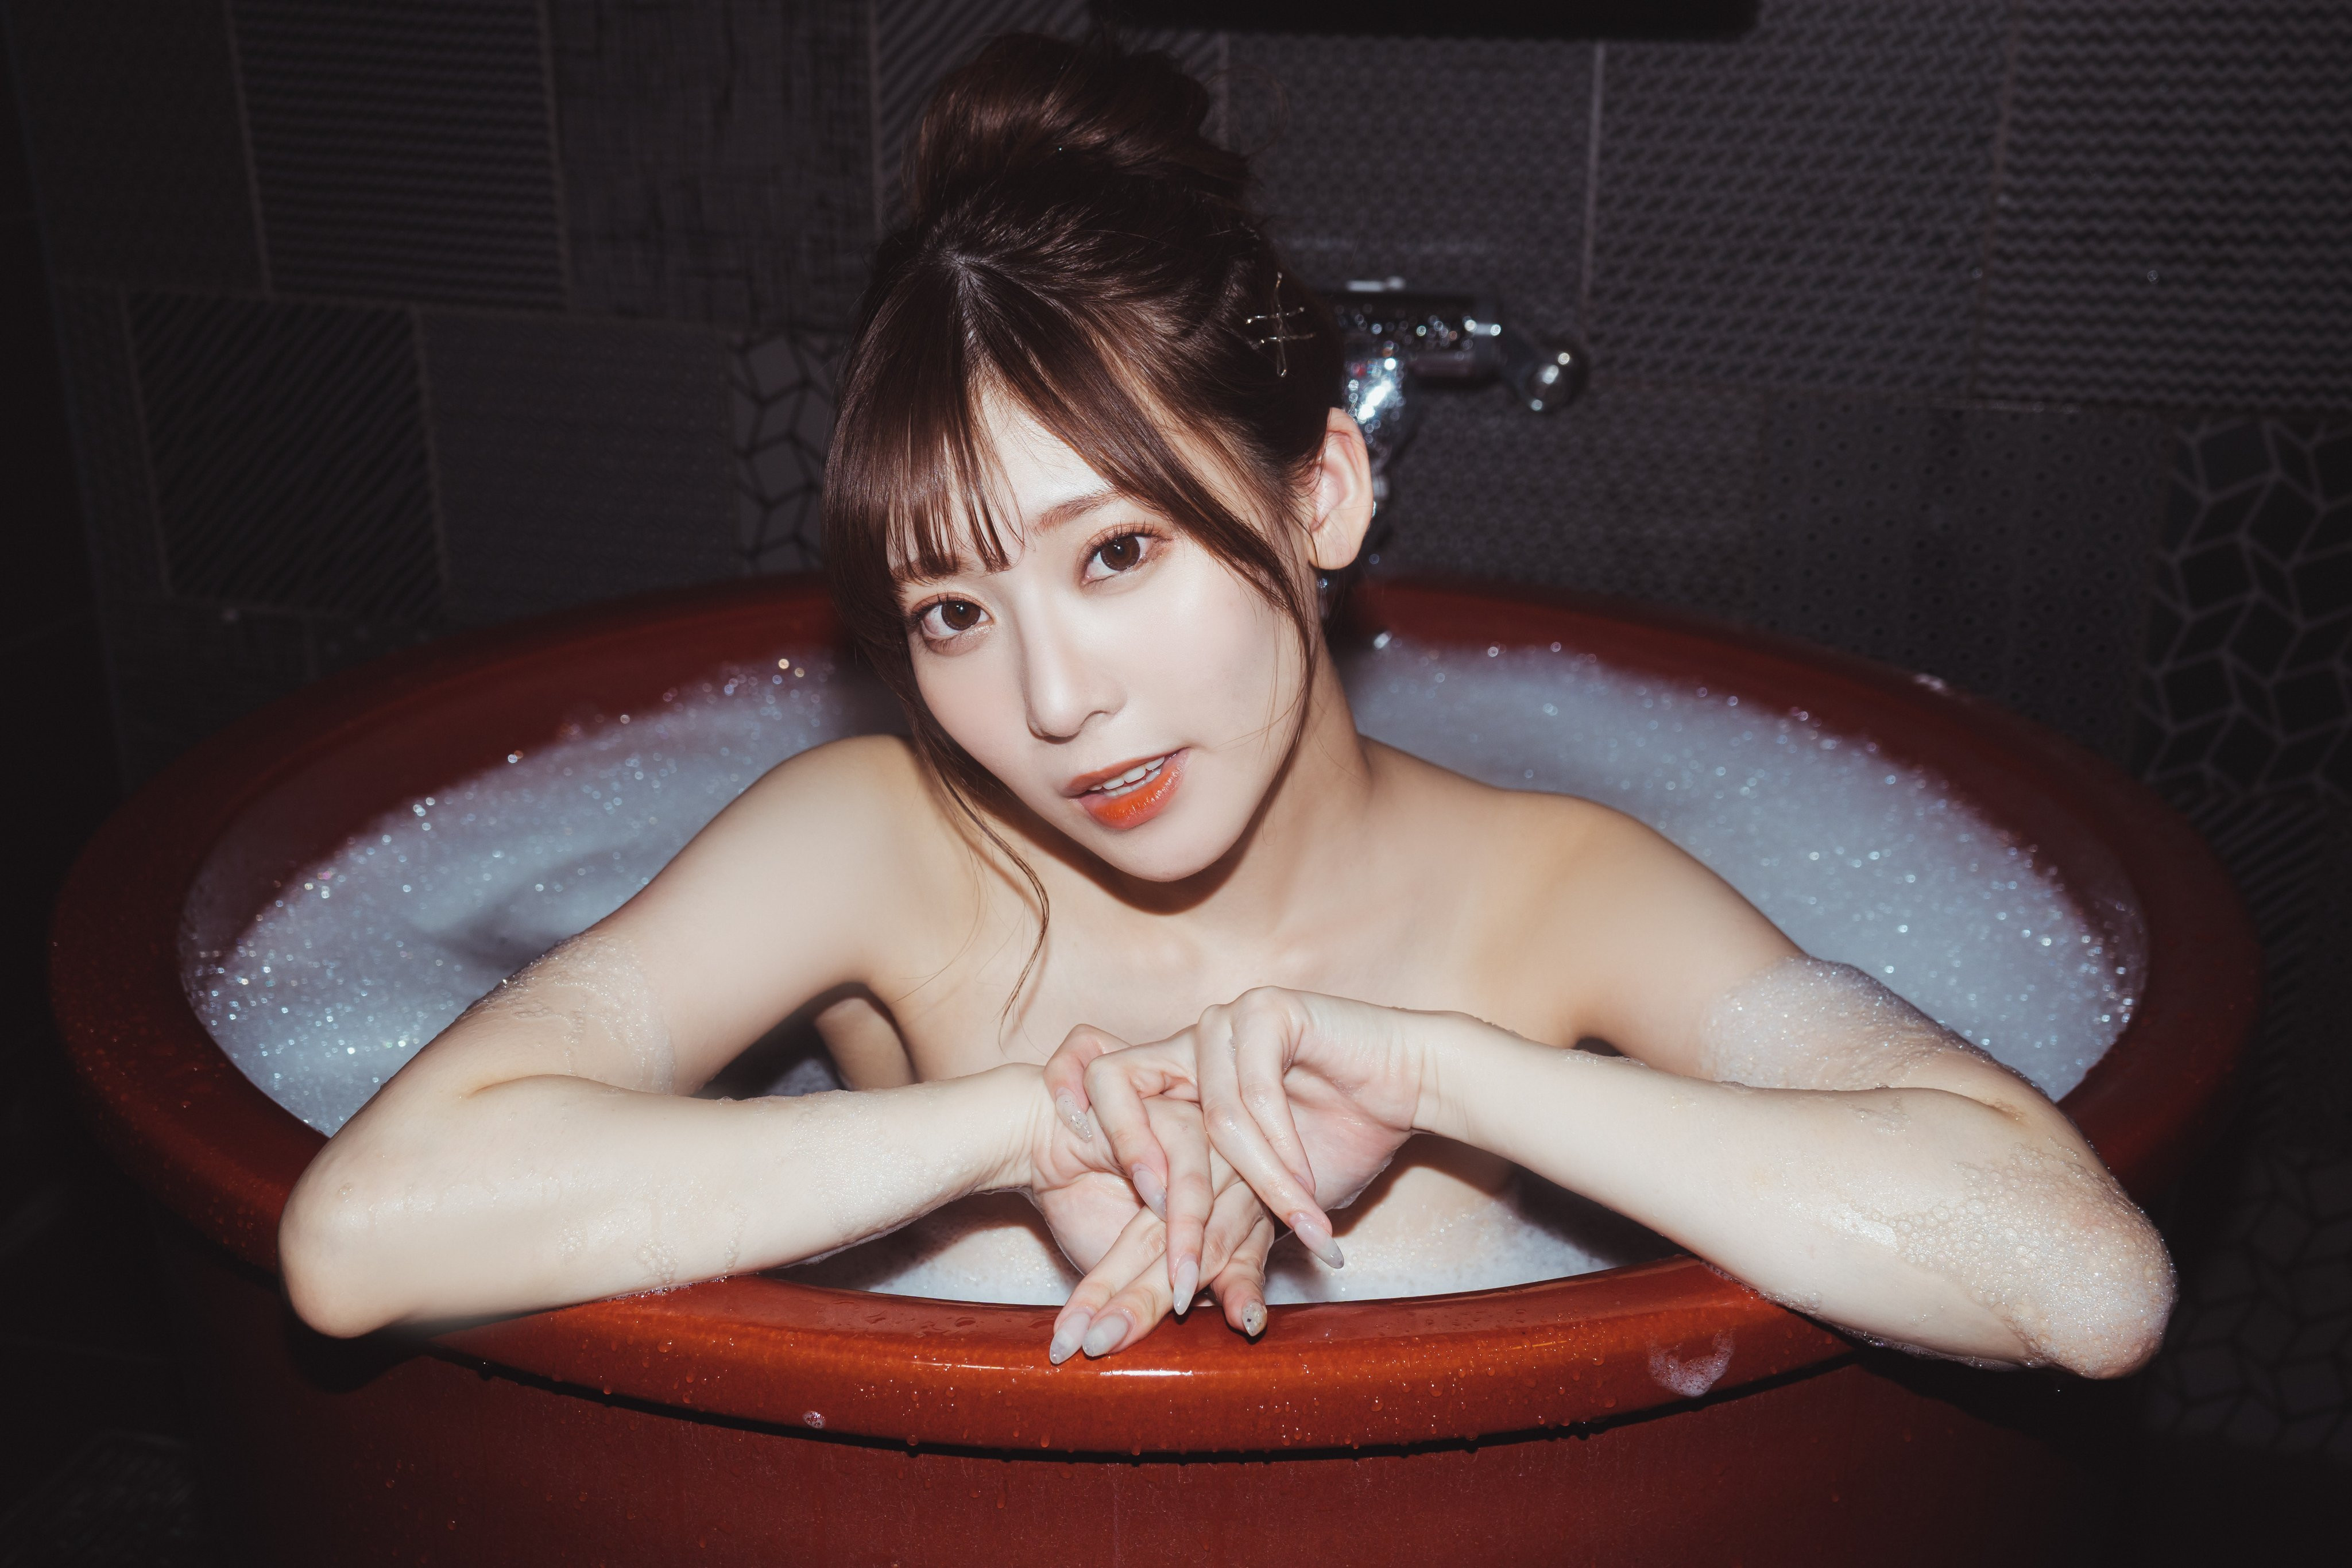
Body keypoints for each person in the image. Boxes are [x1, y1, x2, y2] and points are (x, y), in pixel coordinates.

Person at [278, 32, 2172, 1379]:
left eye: (1118, 553)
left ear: (1322, 494)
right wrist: (1003, 1130)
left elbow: (2083, 1280)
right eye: (953, 608)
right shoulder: (878, 848)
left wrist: (1446, 1076)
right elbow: (364, 1235)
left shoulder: (1554, 892)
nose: (1053, 700)